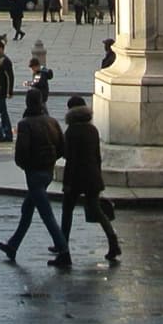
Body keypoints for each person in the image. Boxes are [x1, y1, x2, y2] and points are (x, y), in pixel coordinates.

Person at [0, 89, 70, 267]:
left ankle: (64, 252)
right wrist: (51, 160)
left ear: (27, 103)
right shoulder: (52, 121)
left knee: (46, 214)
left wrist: (26, 166)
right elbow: (63, 148)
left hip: (34, 173)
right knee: (27, 209)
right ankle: (13, 245)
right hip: (47, 171)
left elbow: (21, 152)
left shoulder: (25, 124)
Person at [58, 95, 121, 261]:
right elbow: (97, 157)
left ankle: (63, 247)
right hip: (92, 176)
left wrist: (67, 183)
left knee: (67, 212)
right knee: (98, 211)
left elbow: (69, 158)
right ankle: (113, 242)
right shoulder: (93, 130)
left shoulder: (71, 131)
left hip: (76, 178)